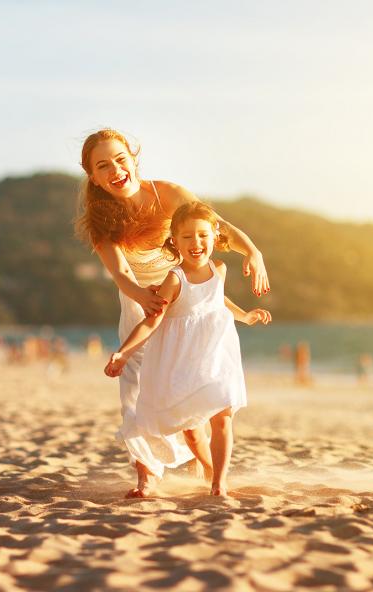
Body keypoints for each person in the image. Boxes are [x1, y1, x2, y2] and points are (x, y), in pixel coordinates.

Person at [75, 129, 270, 498]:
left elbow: (215, 229)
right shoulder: (102, 221)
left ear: (133, 158)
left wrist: (253, 253)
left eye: (120, 159)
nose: (116, 170)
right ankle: (146, 475)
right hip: (140, 301)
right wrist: (143, 299)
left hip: (183, 296)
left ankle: (208, 463)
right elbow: (121, 274)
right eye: (103, 166)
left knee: (183, 381)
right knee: (135, 389)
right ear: (94, 177)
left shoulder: (168, 194)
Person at [105, 202, 271, 496]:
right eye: (188, 237)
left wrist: (245, 315)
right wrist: (125, 351)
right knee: (192, 430)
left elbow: (217, 302)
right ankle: (206, 466)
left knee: (223, 414)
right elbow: (152, 322)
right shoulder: (175, 279)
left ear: (215, 236)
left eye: (203, 235)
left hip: (216, 355)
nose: (197, 243)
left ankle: (219, 482)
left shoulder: (218, 269)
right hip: (183, 361)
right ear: (175, 241)